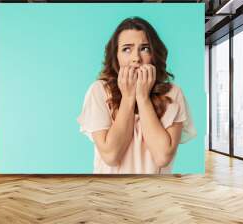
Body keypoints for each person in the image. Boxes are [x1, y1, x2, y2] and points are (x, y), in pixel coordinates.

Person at [77, 17, 196, 174]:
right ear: (116, 56)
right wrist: (128, 97)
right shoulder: (99, 91)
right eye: (127, 49)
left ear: (154, 54)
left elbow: (162, 157)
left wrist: (143, 97)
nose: (136, 58)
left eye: (145, 48)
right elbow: (111, 156)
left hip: (156, 193)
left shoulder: (173, 93)